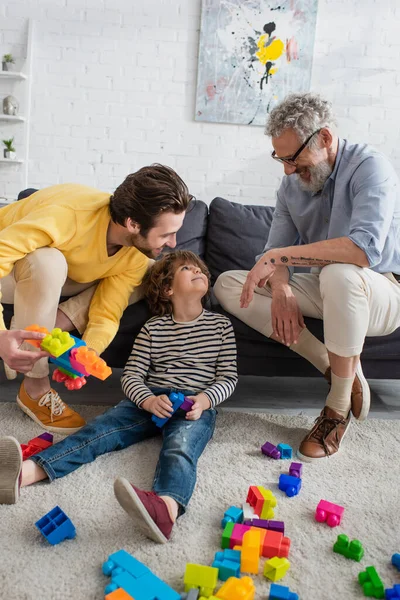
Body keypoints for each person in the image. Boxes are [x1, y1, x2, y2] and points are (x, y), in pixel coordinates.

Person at [0, 250, 238, 544]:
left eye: (201, 269)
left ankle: (166, 509)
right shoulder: (153, 328)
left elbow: (228, 377)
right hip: (149, 400)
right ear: (168, 289)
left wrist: (204, 401)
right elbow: (132, 376)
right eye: (188, 269)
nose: (199, 271)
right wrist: (148, 400)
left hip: (195, 405)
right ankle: (24, 473)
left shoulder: (221, 326)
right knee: (98, 432)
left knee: (180, 448)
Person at [214, 92, 400, 461]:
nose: (286, 170)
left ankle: (336, 407)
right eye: (280, 159)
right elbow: (271, 259)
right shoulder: (290, 186)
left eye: (293, 158)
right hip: (323, 287)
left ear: (326, 138)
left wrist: (280, 258)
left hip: (381, 291)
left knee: (341, 274)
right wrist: (281, 288)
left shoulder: (370, 167)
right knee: (230, 283)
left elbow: (363, 251)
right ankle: (335, 367)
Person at [0, 164, 191, 433]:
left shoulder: (135, 252)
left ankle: (40, 325)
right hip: (10, 270)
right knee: (48, 261)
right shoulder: (67, 216)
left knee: (152, 271)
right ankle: (35, 388)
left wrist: (86, 354)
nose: (173, 242)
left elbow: (107, 312)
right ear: (133, 223)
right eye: (166, 234)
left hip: (60, 280)